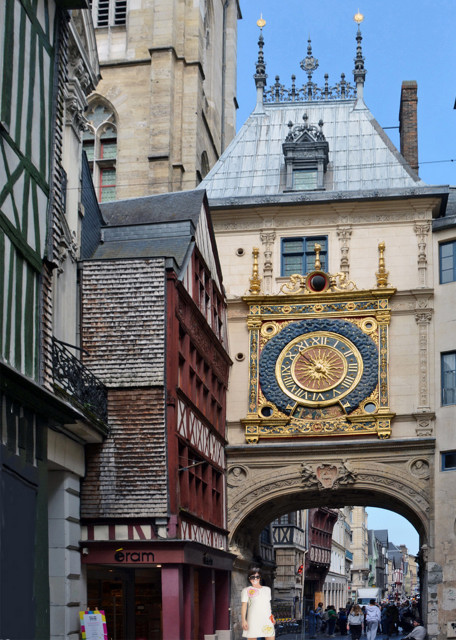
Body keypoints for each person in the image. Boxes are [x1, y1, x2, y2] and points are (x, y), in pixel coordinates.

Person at [241, 567, 275, 640]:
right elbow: (244, 606)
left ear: (260, 578)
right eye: (252, 577)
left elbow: (268, 606)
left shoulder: (267, 590)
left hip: (267, 619)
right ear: (249, 578)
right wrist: (244, 621)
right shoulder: (246, 590)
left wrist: (272, 618)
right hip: (253, 619)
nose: (255, 579)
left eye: (257, 577)